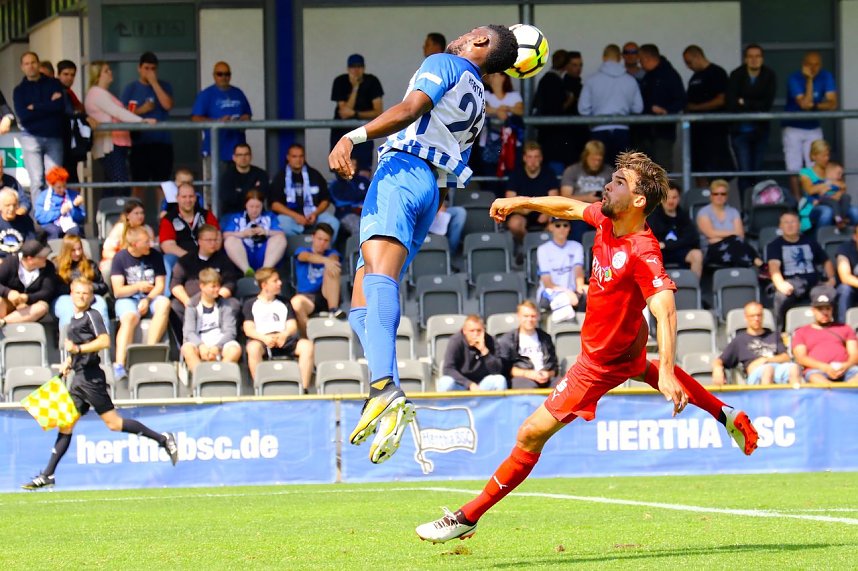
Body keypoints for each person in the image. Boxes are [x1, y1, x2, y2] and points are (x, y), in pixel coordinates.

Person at [415, 151, 759, 543]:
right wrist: (520, 203)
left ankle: (468, 515)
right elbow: (568, 205)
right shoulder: (606, 219)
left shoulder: (643, 252)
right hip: (624, 343)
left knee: (529, 435)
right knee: (639, 365)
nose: (606, 187)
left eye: (617, 183)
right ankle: (725, 412)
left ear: (639, 201)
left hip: (598, 362)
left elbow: (665, 312)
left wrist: (666, 370)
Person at [328, 25, 519, 465]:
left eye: (475, 32)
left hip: (402, 173)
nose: (465, 33)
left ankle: (384, 388)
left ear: (483, 46)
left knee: (376, 277)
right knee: (360, 298)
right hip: (430, 188)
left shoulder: (446, 64)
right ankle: (386, 388)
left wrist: (352, 136)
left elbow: (410, 108)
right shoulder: (480, 101)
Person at [21, 277, 178, 490]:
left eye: (85, 293)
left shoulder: (91, 315)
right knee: (66, 425)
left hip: (91, 379)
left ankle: (162, 438)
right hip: (78, 377)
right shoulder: (74, 319)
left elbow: (104, 341)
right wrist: (69, 361)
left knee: (114, 424)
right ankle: (48, 474)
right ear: (71, 294)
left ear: (91, 296)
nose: (81, 296)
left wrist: (77, 350)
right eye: (77, 293)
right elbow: (78, 346)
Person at [85, 61, 155, 196]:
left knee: (112, 184)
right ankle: (118, 213)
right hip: (111, 145)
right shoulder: (96, 93)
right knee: (120, 183)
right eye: (106, 71)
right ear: (98, 75)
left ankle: (107, 215)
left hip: (117, 143)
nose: (110, 72)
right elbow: (116, 111)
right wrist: (141, 121)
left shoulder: (103, 93)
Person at [110, 226, 170, 380]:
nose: (150, 244)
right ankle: (119, 364)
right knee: (129, 318)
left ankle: (150, 349)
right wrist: (138, 287)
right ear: (135, 244)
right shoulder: (120, 258)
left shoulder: (155, 255)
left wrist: (148, 299)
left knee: (164, 303)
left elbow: (160, 286)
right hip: (127, 298)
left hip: (150, 297)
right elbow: (118, 291)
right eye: (146, 242)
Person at [243, 267, 314, 394]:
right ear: (264, 285)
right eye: (275, 281)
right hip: (262, 341)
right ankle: (259, 388)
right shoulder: (250, 304)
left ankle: (303, 388)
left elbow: (292, 325)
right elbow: (248, 329)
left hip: (284, 339)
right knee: (252, 348)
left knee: (306, 346)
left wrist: (284, 335)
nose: (280, 283)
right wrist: (264, 338)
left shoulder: (285, 302)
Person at [766, 211, 834, 333]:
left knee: (831, 294)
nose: (790, 225)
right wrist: (780, 284)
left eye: (793, 222)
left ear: (799, 224)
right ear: (780, 226)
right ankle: (781, 333)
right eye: (786, 222)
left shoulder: (810, 242)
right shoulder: (775, 245)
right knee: (781, 297)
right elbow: (773, 266)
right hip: (792, 284)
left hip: (814, 284)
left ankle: (833, 330)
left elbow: (826, 261)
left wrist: (832, 278)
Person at [782, 51, 837, 200]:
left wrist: (816, 106)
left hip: (813, 127)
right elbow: (805, 104)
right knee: (794, 167)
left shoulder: (826, 76)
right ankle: (798, 201)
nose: (813, 67)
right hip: (793, 127)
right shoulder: (794, 78)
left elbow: (833, 103)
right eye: (810, 64)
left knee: (817, 164)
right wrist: (810, 80)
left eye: (817, 64)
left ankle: (814, 199)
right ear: (803, 64)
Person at [577, 44, 643, 165]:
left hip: (598, 130)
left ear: (603, 57)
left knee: (599, 170)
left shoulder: (592, 80)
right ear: (620, 58)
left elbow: (583, 109)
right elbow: (638, 108)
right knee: (622, 172)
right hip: (622, 131)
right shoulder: (630, 80)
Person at [726, 44, 777, 199]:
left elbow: (767, 104)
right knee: (745, 173)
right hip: (740, 132)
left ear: (762, 58)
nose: (754, 60)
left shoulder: (769, 75)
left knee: (758, 172)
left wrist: (745, 102)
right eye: (751, 56)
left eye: (757, 56)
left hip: (760, 131)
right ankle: (746, 210)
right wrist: (754, 104)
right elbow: (732, 102)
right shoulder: (736, 75)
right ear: (745, 59)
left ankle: (757, 208)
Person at [12, 52, 66, 196]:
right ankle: (40, 218)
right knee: (36, 181)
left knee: (55, 180)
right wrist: (49, 104)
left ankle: (53, 216)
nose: (31, 66)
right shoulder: (19, 91)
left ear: (38, 64)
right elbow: (23, 116)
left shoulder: (53, 83)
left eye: (33, 62)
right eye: (27, 63)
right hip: (31, 138)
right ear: (22, 67)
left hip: (53, 137)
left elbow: (59, 107)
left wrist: (35, 106)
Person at [712, 301, 800, 386]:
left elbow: (785, 357)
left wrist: (765, 360)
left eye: (759, 315)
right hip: (756, 373)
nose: (756, 319)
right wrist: (717, 368)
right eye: (752, 316)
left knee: (794, 368)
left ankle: (796, 399)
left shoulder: (774, 335)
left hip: (777, 368)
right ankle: (765, 400)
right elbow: (720, 360)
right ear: (746, 317)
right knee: (768, 370)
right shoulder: (739, 340)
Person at [191, 61, 252, 182]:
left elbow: (247, 114)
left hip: (238, 151)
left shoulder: (238, 93)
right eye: (220, 74)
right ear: (214, 75)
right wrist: (217, 122)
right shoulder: (206, 94)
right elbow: (195, 118)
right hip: (215, 151)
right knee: (215, 188)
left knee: (239, 186)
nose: (224, 77)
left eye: (227, 74)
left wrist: (243, 119)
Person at [120, 51, 174, 187]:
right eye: (146, 68)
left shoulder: (165, 86)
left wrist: (154, 83)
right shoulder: (131, 88)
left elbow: (167, 105)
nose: (149, 72)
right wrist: (142, 110)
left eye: (153, 69)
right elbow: (123, 114)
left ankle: (162, 209)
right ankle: (137, 209)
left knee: (162, 186)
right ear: (139, 68)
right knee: (138, 185)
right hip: (139, 143)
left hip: (162, 142)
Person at [683, 45, 733, 187]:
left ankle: (718, 206)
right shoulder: (694, 78)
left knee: (717, 173)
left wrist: (696, 108)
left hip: (714, 132)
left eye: (689, 62)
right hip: (696, 133)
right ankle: (703, 203)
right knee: (699, 171)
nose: (688, 66)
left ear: (698, 56)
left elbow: (721, 99)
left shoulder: (717, 73)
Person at [269, 144, 340, 239]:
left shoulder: (314, 175)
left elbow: (325, 200)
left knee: (333, 222)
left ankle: (323, 249)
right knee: (281, 223)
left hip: (314, 216)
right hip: (291, 218)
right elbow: (274, 204)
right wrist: (296, 216)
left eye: (301, 156)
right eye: (294, 156)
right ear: (288, 157)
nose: (298, 159)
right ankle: (304, 245)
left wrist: (315, 213)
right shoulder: (280, 177)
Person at [792, 284, 858, 384]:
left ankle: (844, 390)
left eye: (827, 308)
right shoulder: (801, 331)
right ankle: (839, 391)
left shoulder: (845, 328)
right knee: (815, 378)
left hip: (845, 369)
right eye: (820, 309)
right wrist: (825, 367)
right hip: (817, 370)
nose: (824, 312)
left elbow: (854, 354)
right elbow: (801, 358)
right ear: (813, 310)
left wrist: (846, 365)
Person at [158, 182, 220, 288]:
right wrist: (191, 257)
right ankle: (167, 296)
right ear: (177, 198)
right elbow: (167, 246)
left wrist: (204, 255)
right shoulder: (169, 218)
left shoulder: (206, 215)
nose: (188, 200)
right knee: (167, 259)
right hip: (181, 257)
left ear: (195, 198)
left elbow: (217, 238)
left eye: (191, 196)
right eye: (184, 197)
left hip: (207, 255)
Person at [329, 54, 384, 174]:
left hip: (363, 133)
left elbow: (378, 112)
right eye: (353, 67)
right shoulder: (340, 81)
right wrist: (355, 88)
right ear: (348, 69)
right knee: (343, 172)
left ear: (364, 68)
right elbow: (344, 113)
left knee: (364, 173)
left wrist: (355, 113)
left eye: (359, 66)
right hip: (342, 133)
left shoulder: (372, 81)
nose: (356, 70)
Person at [181, 268, 242, 375]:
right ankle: (200, 378)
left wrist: (217, 347)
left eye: (218, 286)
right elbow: (188, 332)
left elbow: (230, 331)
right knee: (187, 349)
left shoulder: (226, 304)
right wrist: (200, 345)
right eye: (213, 286)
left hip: (220, 340)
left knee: (235, 350)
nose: (217, 289)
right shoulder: (192, 304)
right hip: (199, 340)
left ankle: (220, 377)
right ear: (202, 286)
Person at [696, 179, 763, 271]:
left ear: (727, 196)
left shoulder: (733, 212)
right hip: (712, 249)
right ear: (711, 196)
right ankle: (759, 263)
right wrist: (732, 235)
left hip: (735, 247)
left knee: (736, 243)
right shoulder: (703, 212)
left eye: (723, 194)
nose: (719, 196)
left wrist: (719, 236)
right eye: (716, 194)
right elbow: (710, 234)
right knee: (736, 243)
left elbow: (740, 234)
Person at [638, 44, 686, 171]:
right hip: (646, 133)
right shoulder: (648, 76)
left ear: (647, 58)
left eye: (641, 60)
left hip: (663, 132)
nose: (640, 64)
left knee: (661, 170)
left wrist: (666, 111)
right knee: (645, 172)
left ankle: (664, 192)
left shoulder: (669, 75)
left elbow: (680, 100)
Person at [505, 141, 560, 250]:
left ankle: (542, 249)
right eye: (530, 157)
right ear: (524, 158)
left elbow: (555, 199)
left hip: (543, 213)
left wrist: (547, 213)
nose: (533, 161)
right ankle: (529, 247)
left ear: (541, 158)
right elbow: (509, 201)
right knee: (514, 224)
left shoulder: (548, 174)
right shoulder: (516, 174)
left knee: (555, 225)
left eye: (536, 157)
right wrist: (525, 209)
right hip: (522, 213)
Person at [290, 223, 344, 334]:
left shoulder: (332, 253)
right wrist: (326, 261)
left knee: (333, 267)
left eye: (326, 240)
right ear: (313, 237)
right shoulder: (302, 250)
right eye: (319, 239)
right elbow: (305, 256)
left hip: (326, 295)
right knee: (296, 302)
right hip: (307, 297)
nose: (322, 243)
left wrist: (329, 261)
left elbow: (334, 259)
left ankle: (333, 309)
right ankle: (308, 337)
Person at [222, 189, 288, 276]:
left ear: (262, 206)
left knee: (280, 239)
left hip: (264, 253)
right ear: (246, 205)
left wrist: (265, 232)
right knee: (230, 240)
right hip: (244, 253)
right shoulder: (236, 218)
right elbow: (225, 235)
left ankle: (265, 272)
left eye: (257, 207)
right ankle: (247, 271)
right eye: (251, 206)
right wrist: (243, 234)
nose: (254, 210)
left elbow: (281, 234)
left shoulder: (269, 217)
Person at [497, 300, 559, 388]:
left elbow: (554, 367)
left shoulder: (545, 338)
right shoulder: (508, 340)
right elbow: (505, 369)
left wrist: (547, 374)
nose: (529, 319)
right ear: (518, 316)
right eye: (526, 316)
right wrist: (528, 374)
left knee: (565, 386)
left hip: (546, 378)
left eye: (533, 316)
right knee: (530, 389)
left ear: (537, 317)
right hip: (522, 378)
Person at [52, 234, 110, 329]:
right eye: (73, 250)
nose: (78, 253)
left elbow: (103, 286)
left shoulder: (90, 265)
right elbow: (53, 289)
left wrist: (88, 287)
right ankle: (68, 340)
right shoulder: (56, 266)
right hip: (66, 297)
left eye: (79, 249)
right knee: (68, 309)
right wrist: (74, 289)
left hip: (90, 296)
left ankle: (102, 339)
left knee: (101, 305)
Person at [560, 140, 613, 242]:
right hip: (579, 211)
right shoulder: (572, 171)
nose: (596, 163)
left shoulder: (609, 171)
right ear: (586, 156)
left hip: (602, 211)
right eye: (593, 159)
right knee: (578, 227)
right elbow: (565, 197)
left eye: (599, 160)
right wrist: (587, 198)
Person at [437, 315, 507, 392]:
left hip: (482, 385)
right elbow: (448, 369)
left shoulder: (491, 341)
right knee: (445, 382)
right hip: (461, 384)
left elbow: (497, 371)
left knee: (500, 380)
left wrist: (484, 351)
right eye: (472, 331)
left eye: (479, 330)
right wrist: (469, 384)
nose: (476, 334)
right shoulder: (456, 341)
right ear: (464, 331)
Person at [531, 49, 574, 175]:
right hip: (553, 137)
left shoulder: (545, 79)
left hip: (546, 135)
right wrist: (569, 101)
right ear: (566, 65)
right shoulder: (553, 81)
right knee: (554, 170)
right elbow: (555, 110)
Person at [647, 182, 703, 277]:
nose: (671, 201)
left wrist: (666, 244)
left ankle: (693, 288)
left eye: (674, 197)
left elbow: (691, 238)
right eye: (667, 197)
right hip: (660, 253)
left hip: (679, 250)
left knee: (697, 254)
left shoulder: (683, 216)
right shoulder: (652, 217)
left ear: (679, 198)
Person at [799, 139, 857, 229]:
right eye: (823, 156)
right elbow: (810, 190)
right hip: (815, 204)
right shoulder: (806, 172)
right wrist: (830, 183)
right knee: (827, 212)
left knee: (855, 212)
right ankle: (820, 238)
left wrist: (839, 193)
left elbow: (842, 186)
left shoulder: (832, 168)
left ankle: (851, 237)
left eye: (828, 155)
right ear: (814, 156)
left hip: (836, 202)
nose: (827, 158)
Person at [0, 239, 56, 328]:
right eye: (41, 256)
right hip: (8, 302)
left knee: (42, 307)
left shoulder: (49, 267)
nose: (46, 258)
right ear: (30, 259)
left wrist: (27, 298)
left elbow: (47, 291)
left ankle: (3, 322)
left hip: (30, 306)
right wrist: (8, 292)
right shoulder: (11, 262)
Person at [536, 217, 586, 316]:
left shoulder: (577, 246)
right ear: (551, 227)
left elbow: (578, 272)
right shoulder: (543, 249)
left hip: (572, 293)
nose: (562, 228)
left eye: (565, 225)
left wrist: (581, 287)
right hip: (550, 293)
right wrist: (567, 292)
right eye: (558, 225)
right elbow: (547, 283)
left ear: (569, 228)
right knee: (564, 299)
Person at [479, 72, 523, 181]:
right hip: (488, 144)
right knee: (490, 177)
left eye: (495, 75)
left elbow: (520, 110)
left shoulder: (513, 96)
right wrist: (498, 111)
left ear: (504, 77)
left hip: (511, 144)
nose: (491, 77)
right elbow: (482, 107)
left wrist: (506, 108)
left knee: (511, 175)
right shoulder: (485, 94)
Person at [56, 59, 92, 185]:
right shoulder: (59, 91)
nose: (69, 78)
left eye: (72, 75)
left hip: (70, 141)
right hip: (63, 141)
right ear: (58, 74)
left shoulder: (69, 92)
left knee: (72, 179)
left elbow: (78, 109)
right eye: (66, 74)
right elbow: (71, 112)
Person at [99, 198, 155, 275]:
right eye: (136, 213)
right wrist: (123, 260)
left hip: (143, 262)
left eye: (142, 213)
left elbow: (151, 250)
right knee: (107, 267)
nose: (140, 216)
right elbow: (106, 252)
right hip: (121, 261)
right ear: (127, 215)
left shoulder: (147, 229)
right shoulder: (119, 228)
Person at [34, 166, 85, 240]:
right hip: (50, 225)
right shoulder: (43, 197)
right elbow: (40, 218)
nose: (62, 190)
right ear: (52, 185)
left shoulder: (73, 195)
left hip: (69, 224)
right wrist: (60, 212)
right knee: (55, 231)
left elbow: (80, 218)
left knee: (75, 231)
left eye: (64, 186)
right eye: (59, 187)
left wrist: (74, 206)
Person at [219, 143, 270, 216]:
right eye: (239, 155)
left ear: (251, 156)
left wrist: (240, 192)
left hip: (257, 214)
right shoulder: (227, 176)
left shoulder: (261, 174)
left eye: (246, 154)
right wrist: (252, 191)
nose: (243, 158)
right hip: (232, 214)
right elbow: (227, 198)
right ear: (234, 157)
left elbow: (262, 195)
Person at [328, 157, 368, 239]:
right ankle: (358, 251)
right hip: (345, 214)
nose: (352, 167)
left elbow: (373, 197)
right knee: (358, 226)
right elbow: (338, 202)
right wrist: (356, 206)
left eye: (354, 165)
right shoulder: (336, 184)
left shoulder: (364, 181)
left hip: (366, 213)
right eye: (349, 164)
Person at [0, 187, 37, 258]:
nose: (11, 208)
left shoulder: (25, 221)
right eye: (7, 205)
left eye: (14, 205)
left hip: (21, 261)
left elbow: (31, 245)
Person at [835, 224, 858, 321]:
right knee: (845, 289)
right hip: (853, 289)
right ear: (855, 237)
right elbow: (845, 277)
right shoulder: (845, 248)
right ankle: (844, 327)